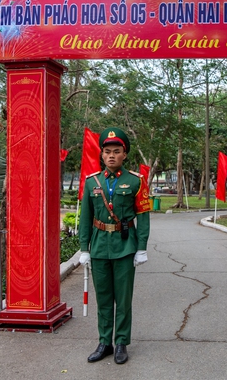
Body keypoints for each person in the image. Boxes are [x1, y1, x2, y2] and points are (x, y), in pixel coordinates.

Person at [78, 127, 151, 365]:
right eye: (107, 151)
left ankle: (121, 342)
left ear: (124, 154)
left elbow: (144, 217)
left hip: (124, 247)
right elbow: (86, 219)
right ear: (101, 155)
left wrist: (142, 247)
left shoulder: (136, 181)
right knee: (104, 298)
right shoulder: (91, 183)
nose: (111, 155)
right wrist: (84, 249)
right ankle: (104, 343)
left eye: (116, 151)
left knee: (123, 298)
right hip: (99, 247)